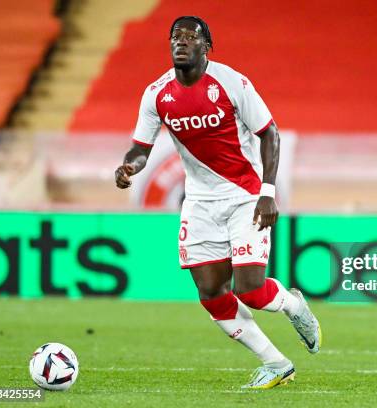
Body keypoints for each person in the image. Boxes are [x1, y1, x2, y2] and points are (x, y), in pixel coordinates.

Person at [114, 16, 321, 389]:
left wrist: (268, 193)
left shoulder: (231, 82)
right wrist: (130, 164)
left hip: (244, 195)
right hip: (199, 202)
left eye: (190, 36)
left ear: (206, 46)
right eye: (175, 36)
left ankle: (292, 305)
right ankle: (276, 363)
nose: (181, 42)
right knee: (210, 293)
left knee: (251, 291)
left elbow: (269, 134)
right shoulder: (156, 94)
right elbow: (141, 148)